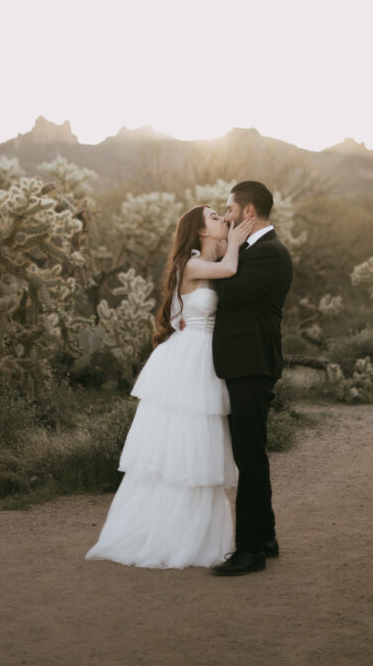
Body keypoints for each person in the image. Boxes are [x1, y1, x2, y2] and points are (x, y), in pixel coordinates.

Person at [85, 205, 254, 569]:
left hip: (206, 358)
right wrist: (237, 239)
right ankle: (167, 533)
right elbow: (229, 269)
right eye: (213, 217)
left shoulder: (212, 259)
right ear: (200, 232)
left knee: (203, 444)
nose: (221, 220)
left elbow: (228, 270)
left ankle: (200, 533)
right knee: (182, 445)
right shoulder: (190, 266)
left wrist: (231, 239)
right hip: (190, 359)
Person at [211, 181, 293, 576]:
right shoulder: (250, 251)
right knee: (251, 454)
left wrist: (228, 249)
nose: (225, 216)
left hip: (252, 363)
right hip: (242, 363)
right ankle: (267, 537)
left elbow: (229, 296)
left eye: (229, 209)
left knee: (250, 457)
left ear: (247, 213)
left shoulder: (271, 254)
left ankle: (250, 552)